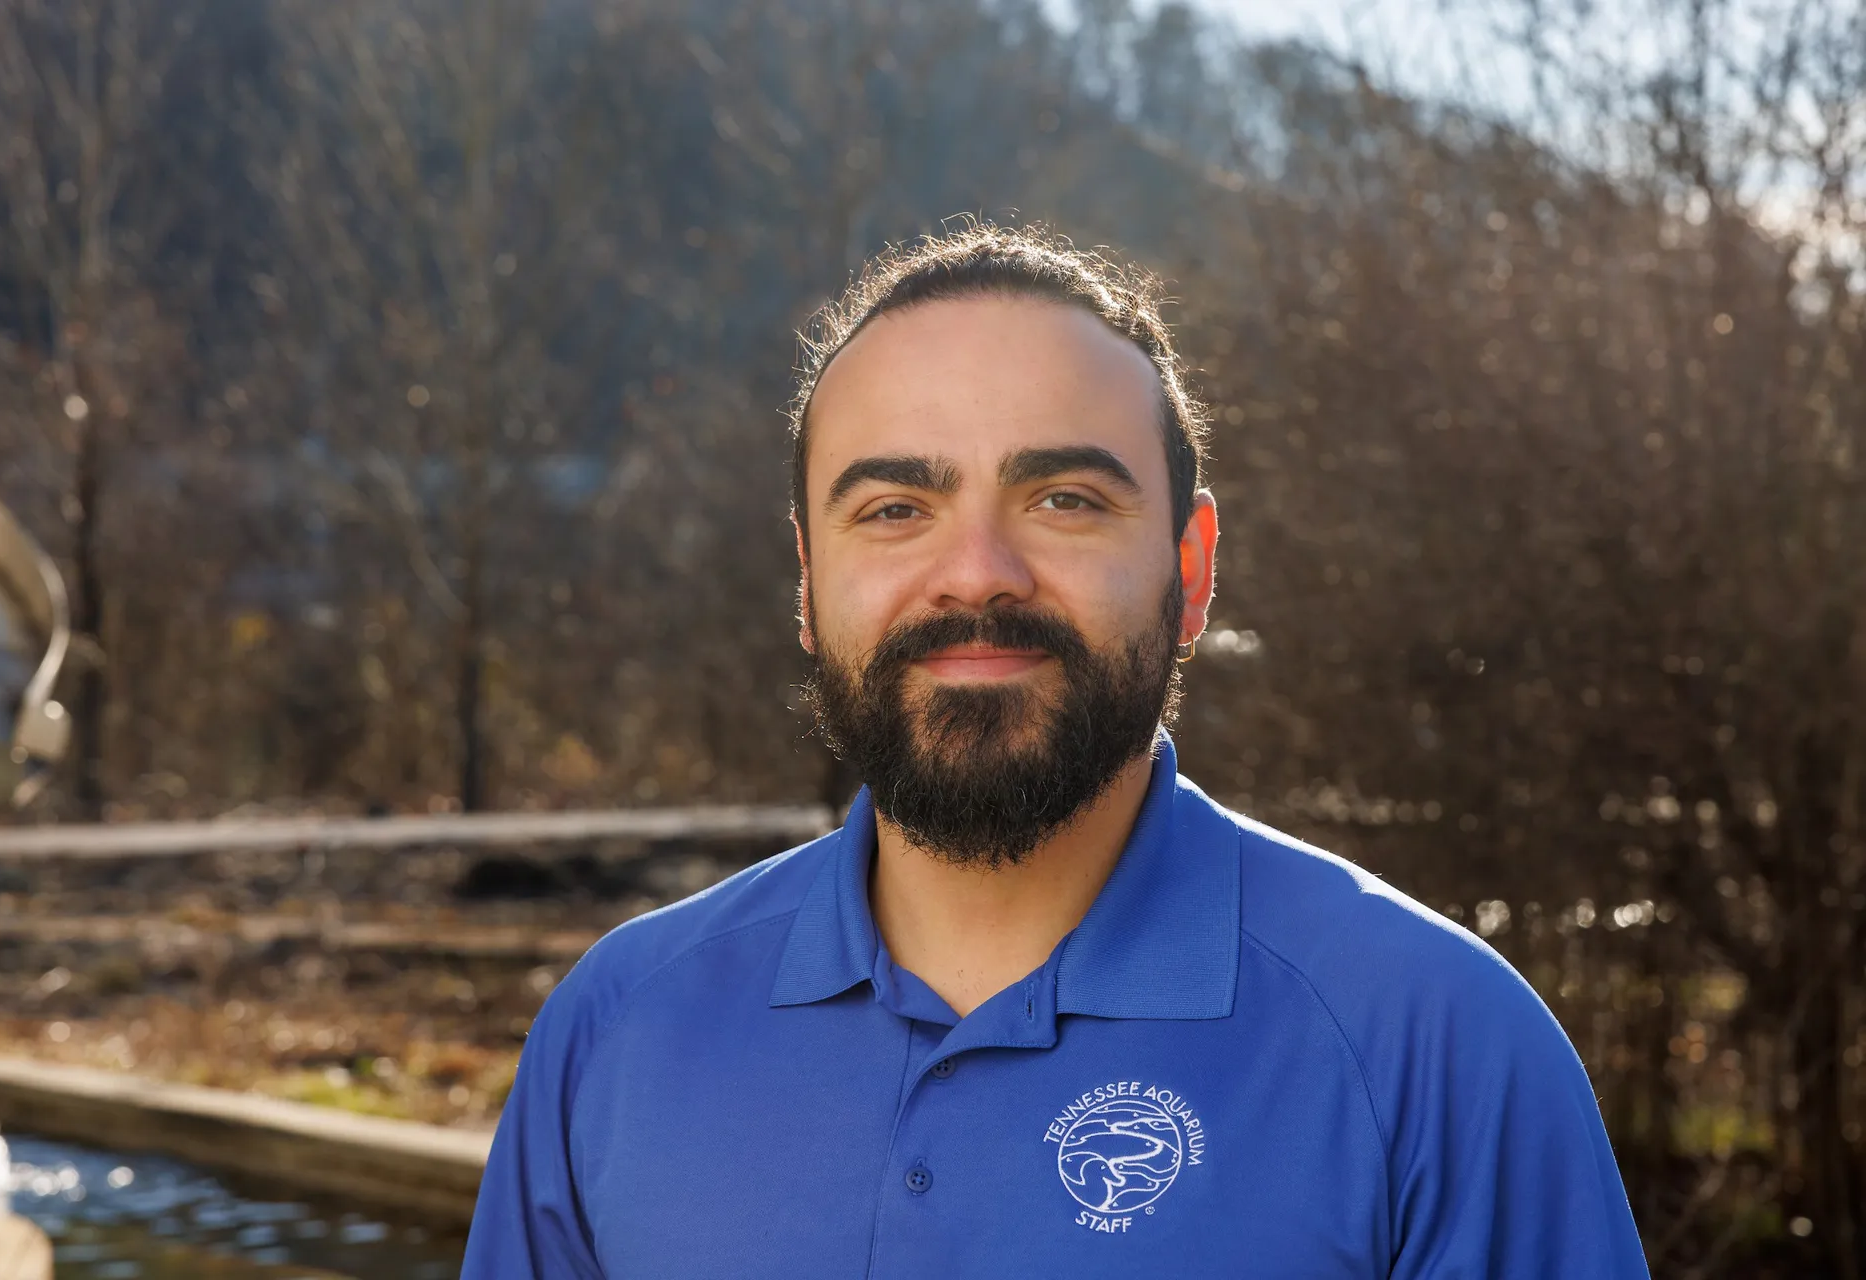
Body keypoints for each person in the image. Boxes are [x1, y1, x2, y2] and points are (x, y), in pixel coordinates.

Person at [461, 224, 1651, 1278]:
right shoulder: (614, 1029)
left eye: (1064, 498)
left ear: (1190, 572)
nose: (976, 569)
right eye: (893, 508)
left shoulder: (1439, 1048)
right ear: (809, 580)